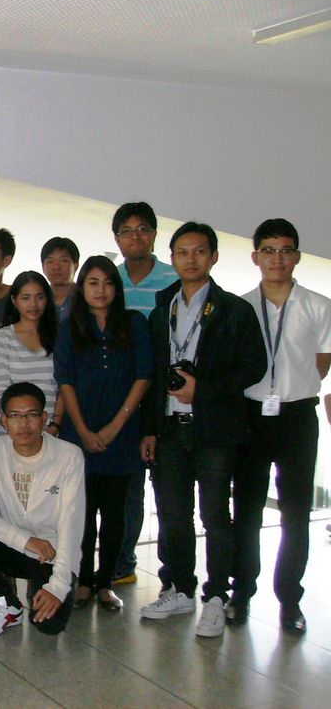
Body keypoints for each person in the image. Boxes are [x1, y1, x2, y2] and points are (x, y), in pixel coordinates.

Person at [139, 222, 266, 638]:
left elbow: (253, 367)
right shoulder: (163, 310)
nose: (190, 260)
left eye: (199, 252)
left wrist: (204, 391)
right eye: (182, 253)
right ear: (171, 258)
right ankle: (179, 588)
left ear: (213, 257)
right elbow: (153, 377)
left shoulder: (234, 310)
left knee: (215, 516)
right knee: (174, 514)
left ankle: (216, 596)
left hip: (215, 429)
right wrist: (150, 428)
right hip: (171, 429)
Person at [229, 219, 331, 633]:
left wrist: (291, 386)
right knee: (247, 510)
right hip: (250, 417)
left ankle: (290, 599)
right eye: (268, 250)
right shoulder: (239, 307)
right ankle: (241, 592)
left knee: (295, 514)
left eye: (286, 250)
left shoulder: (320, 306)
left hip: (297, 417)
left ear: (297, 257)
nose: (277, 258)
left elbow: (321, 365)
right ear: (255, 257)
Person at [54, 256, 152, 611]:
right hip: (78, 434)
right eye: (92, 282)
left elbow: (143, 376)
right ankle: (82, 581)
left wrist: (114, 427)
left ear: (117, 287)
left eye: (107, 282)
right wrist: (81, 429)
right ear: (83, 287)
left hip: (121, 436)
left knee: (115, 513)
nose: (100, 290)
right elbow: (65, 380)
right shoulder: (70, 327)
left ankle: (106, 582)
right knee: (81, 513)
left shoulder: (134, 324)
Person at [0, 382, 85, 637]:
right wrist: (24, 540)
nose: (23, 424)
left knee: (49, 625)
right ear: (4, 420)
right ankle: (7, 605)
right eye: (15, 416)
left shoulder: (68, 456)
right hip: (13, 546)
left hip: (51, 553)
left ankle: (58, 585)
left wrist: (58, 585)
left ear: (44, 418)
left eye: (31, 415)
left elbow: (72, 524)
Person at [111, 202, 178, 586]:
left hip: (165, 401)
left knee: (169, 493)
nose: (135, 236)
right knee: (128, 488)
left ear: (154, 234)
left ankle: (174, 575)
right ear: (116, 238)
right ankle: (122, 562)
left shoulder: (173, 280)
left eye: (143, 229)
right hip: (122, 400)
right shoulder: (110, 279)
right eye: (126, 230)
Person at [0, 270, 61, 433]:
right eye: (26, 298)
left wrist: (54, 425)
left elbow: (64, 387)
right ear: (14, 301)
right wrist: (17, 427)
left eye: (40, 297)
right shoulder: (3, 337)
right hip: (11, 432)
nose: (33, 304)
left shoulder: (58, 336)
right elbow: (1, 389)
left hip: (49, 430)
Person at [40, 236, 79, 323]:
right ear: (43, 268)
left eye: (64, 260)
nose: (56, 267)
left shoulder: (86, 297)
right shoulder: (38, 301)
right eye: (50, 261)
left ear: (75, 266)